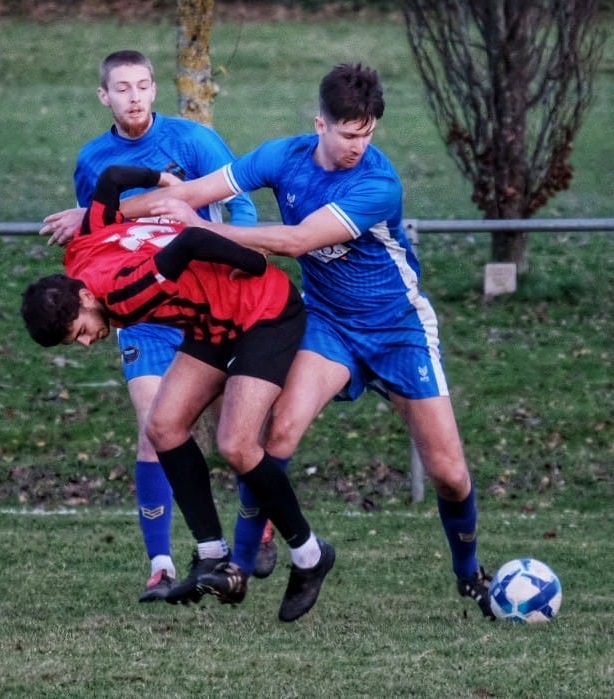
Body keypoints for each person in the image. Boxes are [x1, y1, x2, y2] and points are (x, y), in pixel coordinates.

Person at [121, 63, 495, 618]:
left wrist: (203, 231)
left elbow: (295, 241)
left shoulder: (378, 182)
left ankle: (470, 576)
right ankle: (241, 568)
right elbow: (195, 191)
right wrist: (95, 215)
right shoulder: (283, 156)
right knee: (279, 433)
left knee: (448, 472)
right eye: (348, 134)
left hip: (399, 330)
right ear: (320, 123)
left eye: (367, 134)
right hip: (329, 323)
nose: (358, 146)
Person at [22, 165, 335, 623]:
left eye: (82, 332)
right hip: (213, 320)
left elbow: (190, 242)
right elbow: (110, 181)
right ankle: (211, 554)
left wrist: (253, 264)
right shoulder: (81, 252)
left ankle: (310, 556)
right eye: (77, 342)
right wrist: (161, 180)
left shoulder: (122, 295)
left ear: (87, 298)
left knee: (236, 444)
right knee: (165, 426)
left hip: (262, 311)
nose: (88, 342)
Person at [39, 50, 277, 601]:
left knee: (233, 433)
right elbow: (98, 232)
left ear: (154, 89)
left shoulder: (192, 140)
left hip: (206, 297)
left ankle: (255, 525)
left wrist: (230, 258)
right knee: (156, 430)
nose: (134, 97)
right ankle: (161, 562)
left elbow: (238, 205)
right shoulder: (93, 159)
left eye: (143, 85)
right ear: (104, 97)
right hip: (142, 312)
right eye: (121, 88)